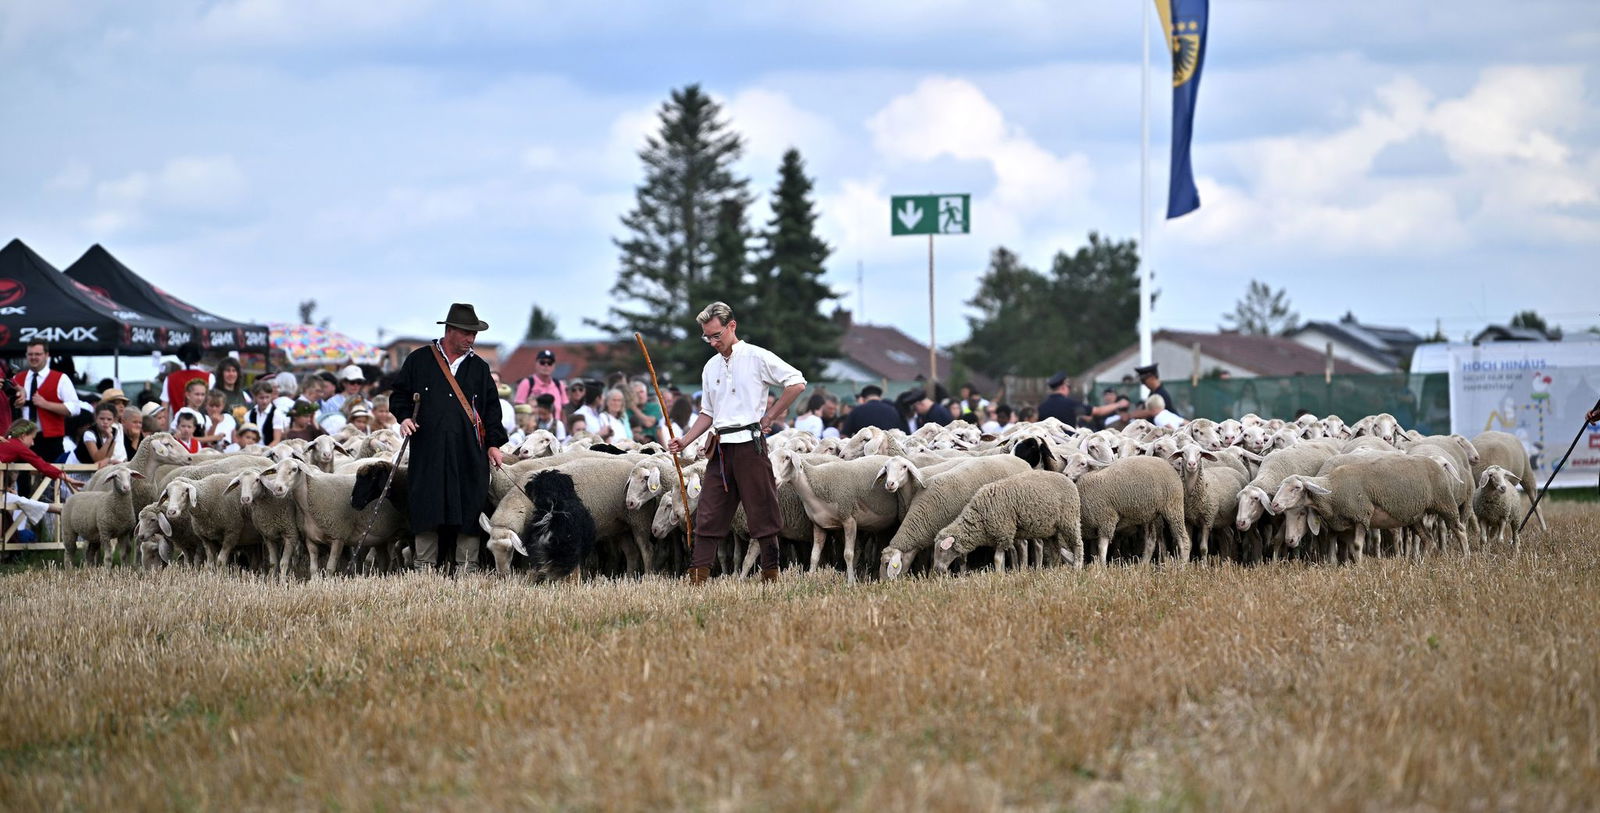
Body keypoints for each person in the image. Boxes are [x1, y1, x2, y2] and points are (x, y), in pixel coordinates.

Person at [668, 301, 805, 584]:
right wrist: (685, 440)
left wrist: (770, 416)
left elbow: (796, 382)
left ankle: (770, 573)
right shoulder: (710, 367)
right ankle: (698, 575)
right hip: (719, 447)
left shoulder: (757, 356)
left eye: (717, 335)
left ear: (732, 326)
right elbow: (707, 411)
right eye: (708, 337)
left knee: (762, 509)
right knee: (709, 509)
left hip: (750, 445)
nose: (713, 342)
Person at [390, 303, 507, 574]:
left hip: (469, 450)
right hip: (429, 447)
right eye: (467, 333)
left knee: (470, 502)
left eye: (474, 334)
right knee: (427, 501)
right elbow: (399, 394)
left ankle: (467, 566)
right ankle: (425, 567)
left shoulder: (479, 367)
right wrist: (404, 417)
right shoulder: (419, 360)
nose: (471, 339)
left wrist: (493, 444)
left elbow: (491, 408)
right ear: (450, 330)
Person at [12, 341, 82, 466]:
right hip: (22, 439)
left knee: (51, 479)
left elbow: (75, 408)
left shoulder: (61, 378)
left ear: (46, 355)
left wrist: (45, 404)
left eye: (38, 354)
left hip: (50, 439)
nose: (34, 357)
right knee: (22, 479)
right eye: (30, 354)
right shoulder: (17, 379)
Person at [162, 342, 212, 417]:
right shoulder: (209, 377)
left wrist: (164, 428)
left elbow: (165, 406)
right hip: (203, 424)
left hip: (178, 425)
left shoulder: (170, 379)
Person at [516, 349, 568, 416]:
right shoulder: (527, 383)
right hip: (533, 424)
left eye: (550, 363)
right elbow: (519, 409)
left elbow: (564, 411)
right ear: (536, 364)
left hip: (555, 424)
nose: (546, 365)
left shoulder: (559, 385)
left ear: (554, 366)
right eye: (542, 362)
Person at [246, 380, 289, 445]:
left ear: (271, 396)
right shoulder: (249, 415)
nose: (264, 401)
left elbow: (276, 440)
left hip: (270, 451)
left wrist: (264, 453)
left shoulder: (276, 414)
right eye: (261, 398)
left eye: (267, 397)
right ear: (255, 397)